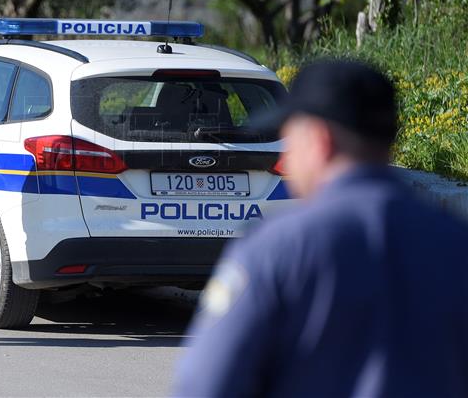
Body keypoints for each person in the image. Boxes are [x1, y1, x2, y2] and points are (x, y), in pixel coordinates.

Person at [173, 59, 468, 397]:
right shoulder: (457, 243)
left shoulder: (276, 248)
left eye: (288, 138)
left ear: (318, 140)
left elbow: (206, 384)